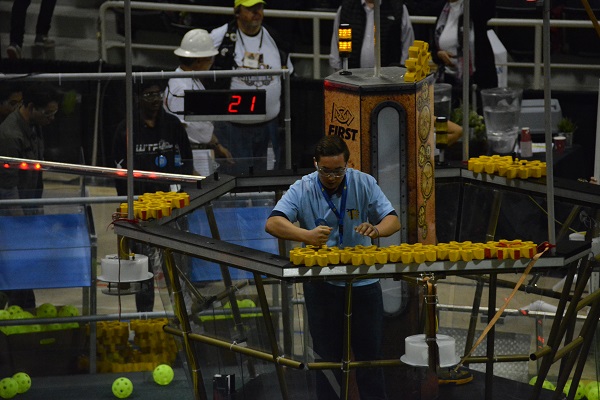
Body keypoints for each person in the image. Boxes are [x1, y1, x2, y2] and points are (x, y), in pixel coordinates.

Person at [265, 135, 401, 400]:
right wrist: (306, 235)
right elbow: (273, 223)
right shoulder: (302, 188)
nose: (331, 177)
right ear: (316, 164)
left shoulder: (364, 183)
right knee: (326, 362)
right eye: (325, 171)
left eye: (338, 171)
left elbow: (393, 220)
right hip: (322, 287)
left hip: (363, 284)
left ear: (347, 165)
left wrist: (375, 229)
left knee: (369, 361)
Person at [112, 80, 193, 312]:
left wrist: (183, 197)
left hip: (171, 207)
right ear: (138, 98)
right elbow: (117, 170)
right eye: (149, 95)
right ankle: (144, 317)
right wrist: (128, 205)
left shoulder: (172, 125)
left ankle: (182, 316)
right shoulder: (126, 128)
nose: (155, 99)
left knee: (176, 267)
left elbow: (187, 161)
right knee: (144, 268)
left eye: (158, 94)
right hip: (141, 209)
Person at [209, 0, 293, 173]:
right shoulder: (221, 36)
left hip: (268, 128)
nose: (257, 12)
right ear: (237, 12)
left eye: (259, 8)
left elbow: (288, 72)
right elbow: (197, 67)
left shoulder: (273, 36)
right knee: (234, 182)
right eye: (250, 9)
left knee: (266, 183)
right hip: (232, 128)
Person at [0, 82, 60, 309]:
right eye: (48, 113)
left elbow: (38, 173)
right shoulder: (10, 136)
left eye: (54, 113)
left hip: (27, 214)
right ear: (31, 107)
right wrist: (22, 230)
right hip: (11, 221)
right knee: (12, 280)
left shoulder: (35, 126)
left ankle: (27, 315)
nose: (51, 119)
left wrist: (38, 218)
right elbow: (7, 191)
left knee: (25, 281)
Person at [164, 29, 233, 166]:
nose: (212, 63)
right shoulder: (180, 89)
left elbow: (200, 125)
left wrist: (217, 146)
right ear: (199, 60)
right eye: (210, 59)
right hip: (189, 155)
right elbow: (179, 131)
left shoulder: (191, 80)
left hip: (200, 152)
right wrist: (188, 167)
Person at [431, 0, 498, 107]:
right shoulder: (442, 9)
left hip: (477, 79)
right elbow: (433, 48)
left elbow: (489, 8)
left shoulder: (474, 6)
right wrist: (439, 54)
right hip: (448, 79)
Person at [329, 0, 415, 70]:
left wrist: (402, 71)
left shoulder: (397, 8)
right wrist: (338, 70)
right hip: (352, 78)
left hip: (389, 80)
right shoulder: (346, 8)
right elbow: (336, 42)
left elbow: (407, 44)